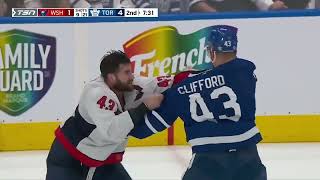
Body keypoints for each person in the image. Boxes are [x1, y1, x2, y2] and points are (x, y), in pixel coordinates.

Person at [130, 25, 267, 180]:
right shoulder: (246, 71)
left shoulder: (180, 89)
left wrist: (125, 123)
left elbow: (147, 128)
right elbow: (223, 75)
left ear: (211, 52)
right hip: (248, 157)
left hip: (207, 160)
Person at [46, 50, 172, 180]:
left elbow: (159, 83)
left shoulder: (127, 85)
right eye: (126, 72)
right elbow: (112, 131)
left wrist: (189, 77)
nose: (132, 76)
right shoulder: (96, 93)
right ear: (112, 77)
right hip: (69, 158)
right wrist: (144, 107)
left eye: (131, 71)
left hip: (100, 159)